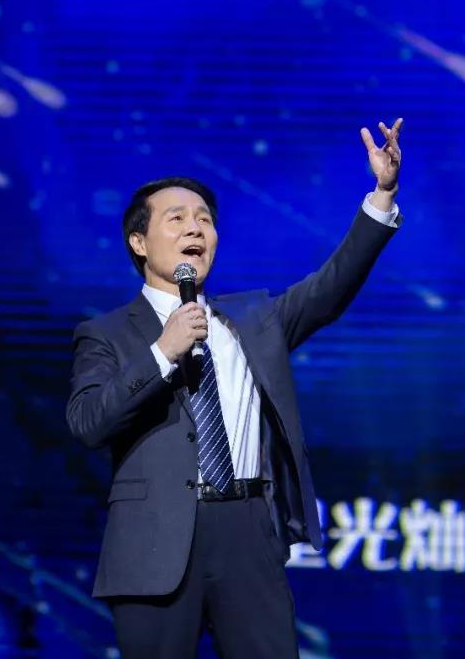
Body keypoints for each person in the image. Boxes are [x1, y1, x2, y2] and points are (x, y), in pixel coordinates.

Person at [67, 118, 405, 657]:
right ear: (139, 242)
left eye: (204, 219)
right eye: (177, 219)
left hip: (248, 528)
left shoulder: (253, 320)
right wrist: (162, 352)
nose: (195, 229)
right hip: (155, 541)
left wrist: (381, 196)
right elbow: (88, 422)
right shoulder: (105, 334)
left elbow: (330, 287)